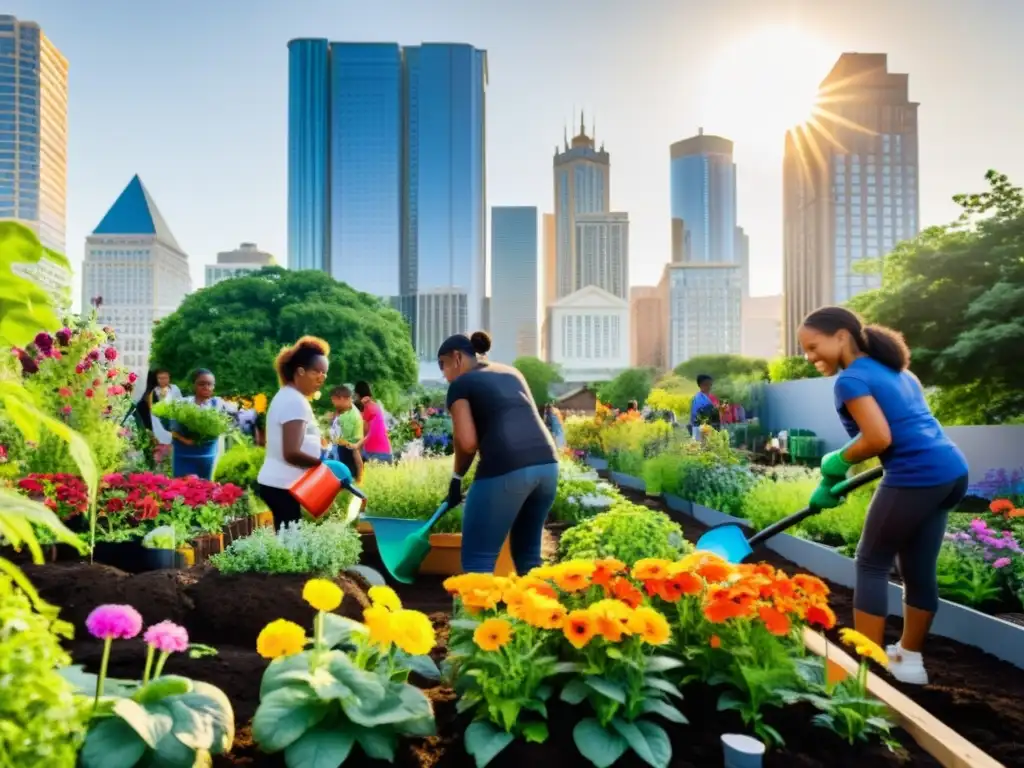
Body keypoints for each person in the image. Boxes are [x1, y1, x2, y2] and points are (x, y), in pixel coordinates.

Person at [798, 306, 969, 685]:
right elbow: (902, 429)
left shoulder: (851, 380)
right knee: (917, 570)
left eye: (813, 347)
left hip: (916, 475)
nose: (810, 357)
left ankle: (866, 671)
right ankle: (909, 661)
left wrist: (837, 460)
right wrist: (833, 479)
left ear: (842, 335)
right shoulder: (898, 371)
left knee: (871, 562)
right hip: (950, 471)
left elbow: (878, 438)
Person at [438, 330, 559, 574]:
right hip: (548, 465)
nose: (444, 374)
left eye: (443, 365)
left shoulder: (461, 385)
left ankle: (473, 614)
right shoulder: (512, 372)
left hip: (506, 468)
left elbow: (467, 443)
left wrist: (456, 479)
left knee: (477, 561)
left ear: (457, 358)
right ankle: (539, 612)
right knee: (528, 557)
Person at [257, 337, 332, 528]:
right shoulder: (294, 401)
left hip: (280, 483)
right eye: (316, 371)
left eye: (324, 373)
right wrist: (323, 465)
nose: (321, 378)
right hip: (282, 484)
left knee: (288, 539)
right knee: (291, 543)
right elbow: (291, 452)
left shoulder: (289, 396)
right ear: (300, 371)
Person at [329, 384, 365, 484]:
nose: (333, 403)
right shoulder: (344, 411)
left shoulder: (350, 416)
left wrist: (359, 476)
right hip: (341, 450)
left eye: (334, 400)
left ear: (342, 399)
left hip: (346, 453)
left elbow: (353, 448)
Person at [354, 381, 394, 464]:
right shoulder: (374, 405)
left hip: (377, 455)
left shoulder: (367, 408)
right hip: (385, 452)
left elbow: (364, 434)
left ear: (357, 394)